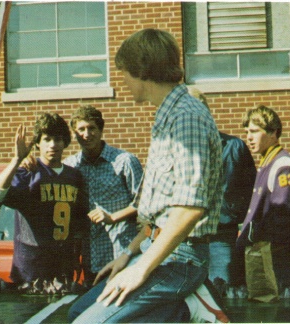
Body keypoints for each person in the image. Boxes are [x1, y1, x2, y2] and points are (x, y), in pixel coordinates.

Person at [68, 28, 228, 323]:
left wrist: (140, 270)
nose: (123, 82)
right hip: (153, 250)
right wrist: (127, 256)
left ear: (142, 70)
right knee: (76, 311)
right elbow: (157, 214)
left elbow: (189, 209)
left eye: (125, 73)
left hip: (180, 260)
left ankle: (187, 308)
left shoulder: (186, 118)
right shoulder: (165, 117)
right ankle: (176, 310)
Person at [0, 113, 89, 294]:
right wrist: (17, 159)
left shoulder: (74, 177)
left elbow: (80, 223)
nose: (52, 145)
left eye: (57, 139)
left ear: (65, 142)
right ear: (37, 143)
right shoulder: (28, 172)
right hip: (31, 270)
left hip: (62, 271)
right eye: (47, 139)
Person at [63, 105, 143, 286]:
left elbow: (144, 205)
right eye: (81, 129)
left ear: (101, 129)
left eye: (92, 128)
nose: (87, 134)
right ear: (74, 134)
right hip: (90, 258)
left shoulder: (125, 161)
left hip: (122, 254)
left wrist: (113, 217)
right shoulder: (70, 166)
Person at [189, 88, 257, 296]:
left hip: (221, 237)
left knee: (221, 295)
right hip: (187, 241)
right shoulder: (181, 149)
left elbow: (251, 193)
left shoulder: (235, 147)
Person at [236, 105, 290, 300]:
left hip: (274, 260)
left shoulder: (283, 166)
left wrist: (254, 235)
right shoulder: (267, 162)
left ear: (274, 132)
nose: (249, 137)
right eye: (246, 132)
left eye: (254, 131)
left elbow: (286, 216)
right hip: (263, 258)